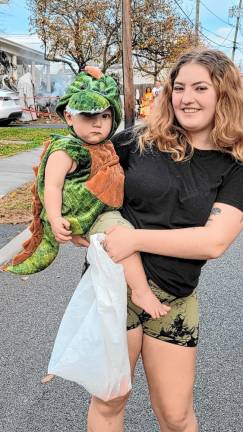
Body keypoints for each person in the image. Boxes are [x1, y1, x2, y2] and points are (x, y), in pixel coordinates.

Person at [76, 49, 243, 431]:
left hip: (174, 295)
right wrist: (68, 221)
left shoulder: (235, 165)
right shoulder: (138, 141)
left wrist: (134, 239)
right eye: (179, 87)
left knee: (176, 415)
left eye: (201, 87)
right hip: (113, 286)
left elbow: (213, 242)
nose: (187, 97)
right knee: (109, 401)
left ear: (223, 94)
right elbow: (79, 169)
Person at [6, 66, 169, 320]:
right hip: (92, 214)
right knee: (123, 236)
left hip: (103, 207)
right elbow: (52, 186)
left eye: (105, 116)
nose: (98, 123)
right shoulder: (67, 150)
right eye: (88, 115)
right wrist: (55, 216)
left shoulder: (105, 145)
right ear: (69, 117)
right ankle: (141, 291)